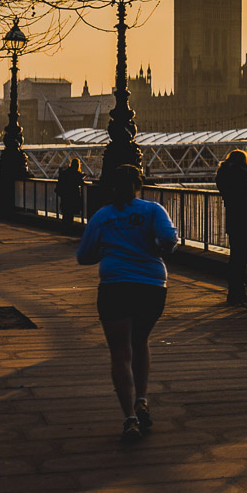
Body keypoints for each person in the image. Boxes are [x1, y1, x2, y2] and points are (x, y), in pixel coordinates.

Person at [74, 164, 176, 444]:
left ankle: (129, 418)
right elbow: (168, 239)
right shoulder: (153, 210)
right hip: (151, 286)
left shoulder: (102, 216)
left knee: (120, 353)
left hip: (115, 286)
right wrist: (158, 249)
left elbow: (83, 256)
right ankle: (142, 400)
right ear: (139, 185)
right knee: (140, 341)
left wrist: (109, 251)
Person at [215, 148, 247, 303]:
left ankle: (233, 292)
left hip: (233, 218)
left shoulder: (222, 176)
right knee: (242, 257)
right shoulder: (241, 175)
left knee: (235, 255)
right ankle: (239, 292)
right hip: (246, 217)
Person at [56, 159, 86, 224]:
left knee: (65, 213)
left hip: (65, 196)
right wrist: (82, 177)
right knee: (70, 214)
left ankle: (65, 228)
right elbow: (80, 183)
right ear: (77, 165)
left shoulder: (64, 173)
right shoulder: (76, 174)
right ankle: (69, 229)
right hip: (73, 197)